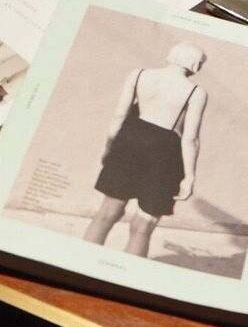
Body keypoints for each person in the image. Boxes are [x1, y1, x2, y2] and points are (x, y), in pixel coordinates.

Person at [83, 43, 208, 258]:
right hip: (165, 152)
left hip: (128, 142)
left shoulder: (139, 74)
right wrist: (189, 177)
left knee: (106, 213)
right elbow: (190, 139)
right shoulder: (196, 92)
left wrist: (109, 147)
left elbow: (119, 116)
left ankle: (81, 262)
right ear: (195, 64)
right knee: (143, 225)